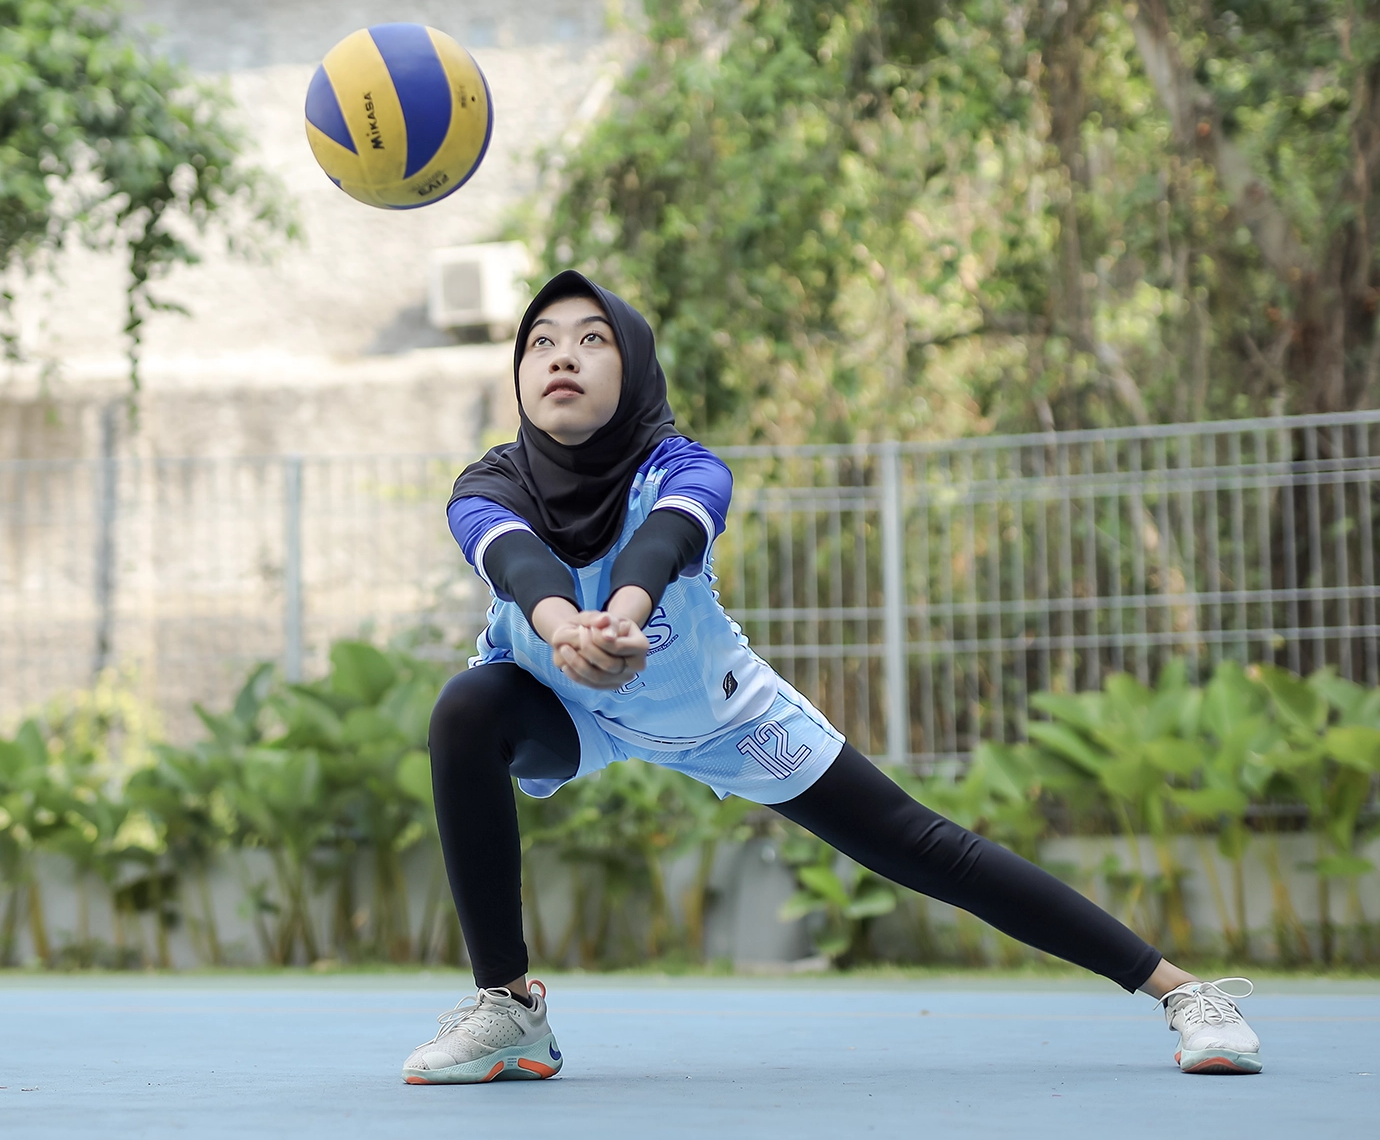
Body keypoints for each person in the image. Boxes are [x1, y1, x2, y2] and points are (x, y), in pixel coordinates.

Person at [401, 270, 1262, 1084]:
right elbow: (516, 566)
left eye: (592, 339)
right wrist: (565, 634)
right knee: (467, 707)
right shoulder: (488, 484)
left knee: (925, 846)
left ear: (633, 369)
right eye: (540, 341)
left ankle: (1182, 989)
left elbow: (660, 544)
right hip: (565, 706)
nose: (561, 354)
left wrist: (622, 619)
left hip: (720, 714)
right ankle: (510, 1010)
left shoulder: (686, 467)